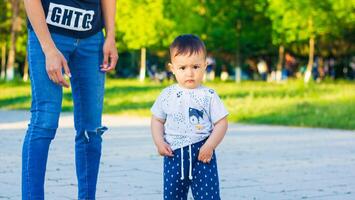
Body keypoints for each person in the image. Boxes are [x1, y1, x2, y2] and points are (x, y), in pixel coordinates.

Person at [22, 0, 118, 199]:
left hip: (92, 38)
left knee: (91, 129)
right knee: (44, 122)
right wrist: (48, 49)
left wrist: (110, 36)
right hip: (49, 34)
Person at [150, 34, 229, 200]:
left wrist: (210, 145)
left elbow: (221, 122)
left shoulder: (208, 95)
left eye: (195, 67)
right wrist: (159, 142)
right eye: (183, 68)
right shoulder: (167, 94)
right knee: (173, 195)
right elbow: (157, 119)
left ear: (205, 66)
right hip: (174, 154)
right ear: (172, 69)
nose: (190, 73)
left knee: (209, 196)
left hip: (202, 153)